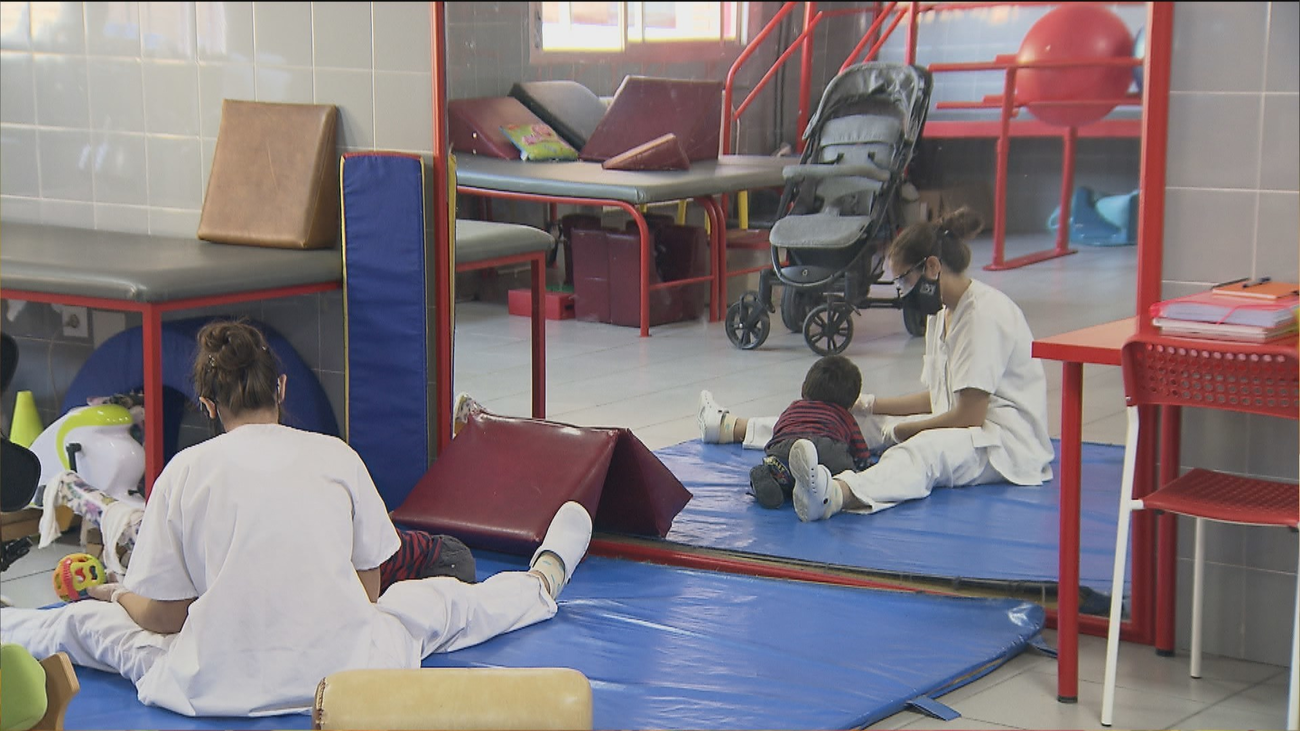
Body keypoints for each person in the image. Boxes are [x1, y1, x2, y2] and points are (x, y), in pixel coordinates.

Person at [0, 320, 593, 718]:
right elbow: (370, 591)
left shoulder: (184, 469)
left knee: (82, 627)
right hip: (347, 681)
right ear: (280, 387)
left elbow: (161, 617)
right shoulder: (336, 454)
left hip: (211, 683)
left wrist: (112, 594)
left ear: (206, 405)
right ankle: (544, 579)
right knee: (442, 604)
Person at [699, 207, 1054, 522]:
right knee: (838, 416)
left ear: (931, 266)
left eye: (903, 280)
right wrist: (868, 404)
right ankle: (731, 427)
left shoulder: (984, 316)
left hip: (999, 442)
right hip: (963, 421)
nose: (902, 291)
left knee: (923, 451)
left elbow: (969, 415)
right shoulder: (942, 313)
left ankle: (835, 493)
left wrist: (903, 432)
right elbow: (939, 397)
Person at [746, 355, 872, 509]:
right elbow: (860, 451)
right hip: (827, 450)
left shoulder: (793, 408)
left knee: (783, 470)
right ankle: (825, 489)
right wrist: (864, 468)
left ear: (803, 389)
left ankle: (774, 478)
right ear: (851, 403)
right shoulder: (845, 416)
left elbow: (778, 432)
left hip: (787, 449)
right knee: (845, 478)